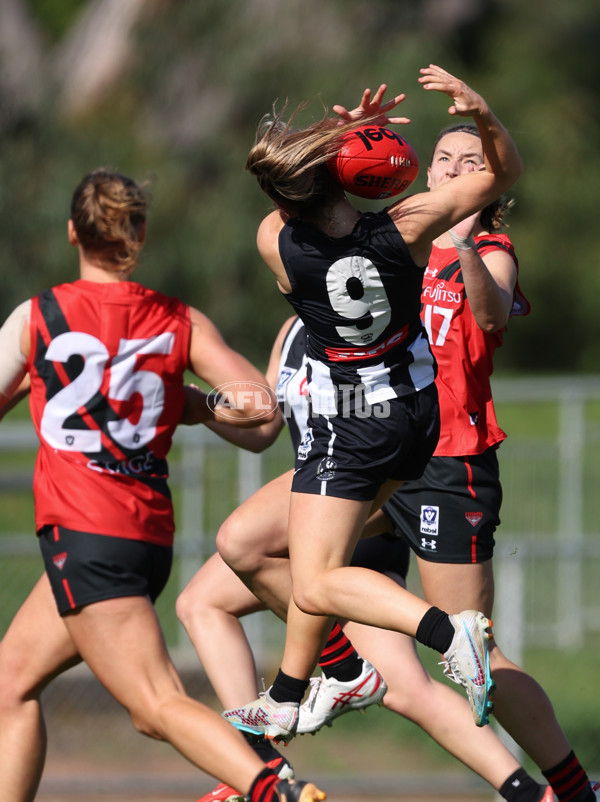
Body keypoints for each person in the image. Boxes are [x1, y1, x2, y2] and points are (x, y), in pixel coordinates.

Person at [216, 63, 524, 744]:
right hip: (417, 417)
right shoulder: (405, 230)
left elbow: (286, 194)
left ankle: (446, 635)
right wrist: (479, 111)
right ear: (344, 180)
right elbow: (502, 174)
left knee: (316, 581)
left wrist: (337, 138)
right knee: (316, 555)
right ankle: (297, 691)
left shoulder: (279, 246)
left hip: (351, 423)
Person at [0, 169, 325, 802]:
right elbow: (261, 408)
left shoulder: (39, 316)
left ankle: (272, 789)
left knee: (154, 705)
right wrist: (197, 404)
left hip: (85, 536)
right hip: (141, 538)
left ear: (73, 233)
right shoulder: (176, 319)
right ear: (139, 234)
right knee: (10, 680)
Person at [178, 313, 554, 802]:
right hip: (317, 518)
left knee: (237, 563)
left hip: (357, 515)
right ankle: (531, 793)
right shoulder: (292, 327)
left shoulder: (373, 316)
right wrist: (202, 405)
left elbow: (400, 415)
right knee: (203, 601)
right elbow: (265, 422)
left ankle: (267, 765)